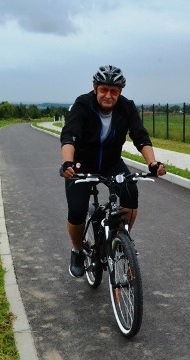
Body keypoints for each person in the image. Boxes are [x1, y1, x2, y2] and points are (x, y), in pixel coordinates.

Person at [59, 65, 166, 278]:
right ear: (95, 88)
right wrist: (68, 163)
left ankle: (120, 240)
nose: (109, 95)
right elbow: (69, 135)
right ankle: (77, 250)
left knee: (130, 193)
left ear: (120, 92)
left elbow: (140, 137)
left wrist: (152, 163)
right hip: (81, 165)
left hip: (111, 163)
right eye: (104, 90)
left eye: (114, 91)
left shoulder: (126, 108)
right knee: (77, 211)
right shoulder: (82, 104)